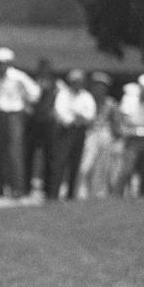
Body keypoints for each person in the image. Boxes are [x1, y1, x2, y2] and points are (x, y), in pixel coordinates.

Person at [0, 47, 40, 198]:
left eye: (4, 63)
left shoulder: (18, 77)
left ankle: (17, 188)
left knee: (14, 152)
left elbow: (34, 92)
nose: (1, 66)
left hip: (14, 114)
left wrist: (25, 102)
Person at [49, 68, 95, 201]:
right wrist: (74, 116)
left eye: (79, 81)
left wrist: (77, 115)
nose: (77, 84)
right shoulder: (63, 94)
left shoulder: (86, 96)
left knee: (75, 163)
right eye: (75, 81)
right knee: (60, 162)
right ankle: (54, 194)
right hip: (65, 131)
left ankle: (71, 195)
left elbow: (90, 114)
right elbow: (60, 111)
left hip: (80, 131)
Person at [113, 73, 144, 197]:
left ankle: (141, 197)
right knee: (127, 170)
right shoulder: (129, 100)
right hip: (132, 139)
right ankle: (118, 195)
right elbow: (123, 120)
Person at [76, 71, 120, 199]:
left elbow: (116, 124)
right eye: (97, 85)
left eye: (102, 86)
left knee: (102, 166)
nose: (99, 88)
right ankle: (81, 192)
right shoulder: (85, 99)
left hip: (105, 134)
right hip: (88, 134)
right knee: (85, 165)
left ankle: (98, 194)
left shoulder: (110, 103)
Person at [24, 58, 60, 197]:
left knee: (49, 156)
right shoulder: (32, 82)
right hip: (33, 121)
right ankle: (26, 186)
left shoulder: (55, 84)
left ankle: (49, 190)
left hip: (48, 123)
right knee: (29, 154)